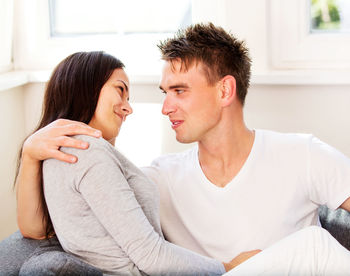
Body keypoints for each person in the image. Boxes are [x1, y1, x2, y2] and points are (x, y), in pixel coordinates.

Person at [13, 23, 350, 274]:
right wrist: (30, 155)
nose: (165, 107)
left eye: (179, 90)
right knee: (316, 246)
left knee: (316, 249)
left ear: (224, 91)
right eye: (165, 93)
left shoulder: (302, 154)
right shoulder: (158, 179)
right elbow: (38, 229)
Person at [14, 50, 241, 275]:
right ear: (85, 86)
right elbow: (151, 256)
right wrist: (230, 267)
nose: (128, 108)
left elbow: (35, 229)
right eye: (120, 90)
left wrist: (30, 155)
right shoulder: (86, 151)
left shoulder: (62, 150)